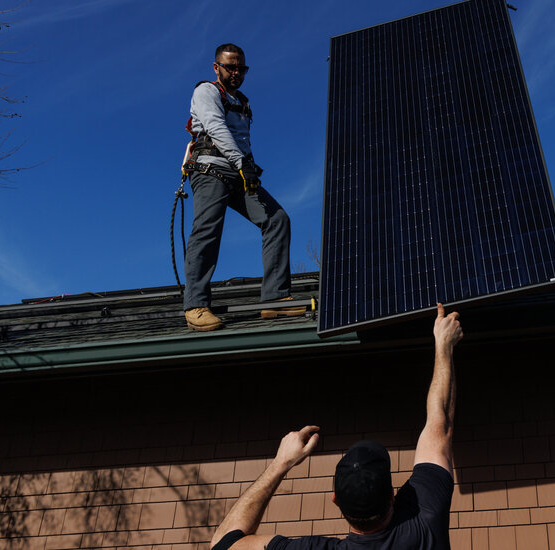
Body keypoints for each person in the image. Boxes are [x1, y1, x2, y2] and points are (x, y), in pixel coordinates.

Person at [209, 304, 464, 550]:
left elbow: (224, 544)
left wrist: (280, 464)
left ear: (335, 501)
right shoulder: (426, 518)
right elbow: (440, 423)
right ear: (392, 496)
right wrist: (443, 345)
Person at [183, 43, 304, 331]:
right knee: (207, 230)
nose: (236, 72)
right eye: (230, 67)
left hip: (238, 173)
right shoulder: (206, 92)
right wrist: (241, 162)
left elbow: (240, 140)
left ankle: (275, 299)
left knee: (277, 219)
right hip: (210, 170)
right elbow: (214, 127)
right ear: (217, 68)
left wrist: (247, 166)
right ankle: (195, 305)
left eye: (241, 68)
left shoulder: (242, 102)